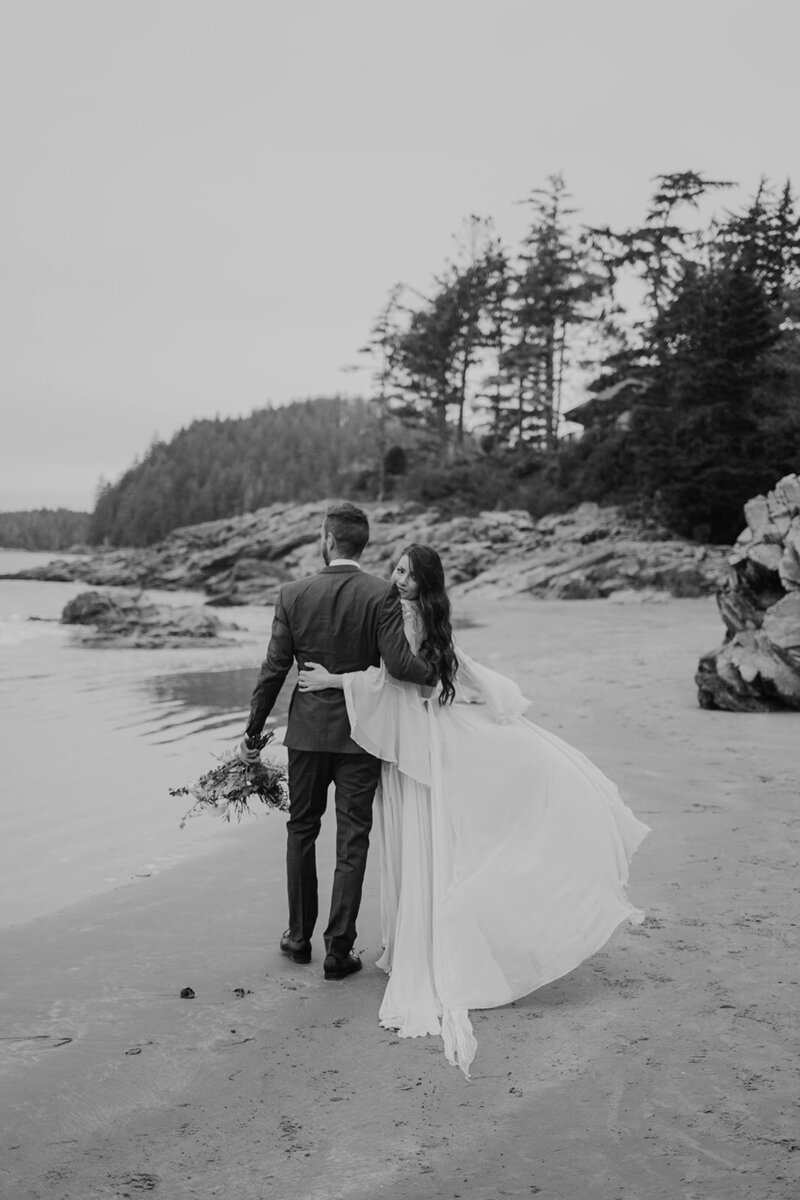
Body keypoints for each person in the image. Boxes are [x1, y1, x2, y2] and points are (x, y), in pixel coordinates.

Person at [298, 544, 650, 1076]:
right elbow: (440, 668)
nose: (395, 580)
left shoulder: (405, 614)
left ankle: (425, 943)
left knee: (425, 838)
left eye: (405, 574)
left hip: (414, 746)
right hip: (425, 737)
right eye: (395, 569)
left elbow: (393, 675)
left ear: (423, 585)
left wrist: (332, 681)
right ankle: (422, 934)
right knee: (437, 837)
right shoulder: (430, 616)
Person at [237, 503, 435, 982]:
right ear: (361, 543)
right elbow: (398, 664)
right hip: (359, 736)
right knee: (353, 839)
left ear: (326, 538)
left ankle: (299, 937)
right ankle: (338, 949)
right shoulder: (381, 594)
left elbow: (273, 670)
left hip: (305, 735)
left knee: (302, 830)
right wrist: (442, 679)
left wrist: (252, 735)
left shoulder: (292, 594)